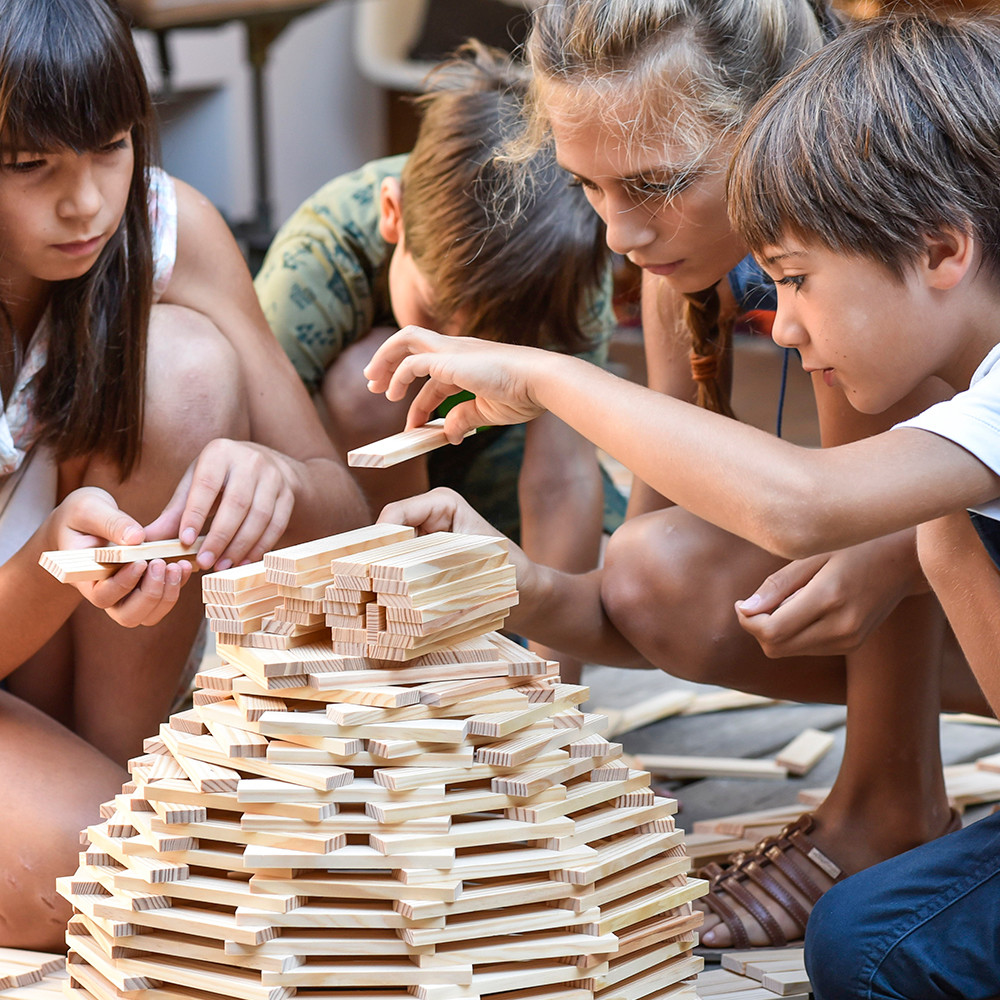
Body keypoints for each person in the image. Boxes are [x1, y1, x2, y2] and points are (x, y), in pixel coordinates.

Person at [365, 12, 1000, 990]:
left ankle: (884, 801)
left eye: (655, 184)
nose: (617, 232)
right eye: (588, 186)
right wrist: (509, 582)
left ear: (761, 127)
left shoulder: (889, 307)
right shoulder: (762, 290)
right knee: (660, 560)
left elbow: (804, 507)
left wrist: (548, 379)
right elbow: (643, 599)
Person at [0, 0, 368, 949]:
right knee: (93, 875)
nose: (85, 202)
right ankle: (106, 806)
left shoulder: (167, 227)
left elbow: (346, 511)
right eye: (29, 165)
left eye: (110, 147)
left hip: (85, 676)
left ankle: (116, 774)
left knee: (189, 368)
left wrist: (275, 480)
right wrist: (48, 559)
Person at [254, 41, 621, 681]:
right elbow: (270, 448)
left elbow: (561, 479)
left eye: (490, 340)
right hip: (352, 494)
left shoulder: (564, 263)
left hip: (492, 479)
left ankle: (463, 623)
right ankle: (394, 628)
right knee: (371, 382)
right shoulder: (320, 254)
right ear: (391, 215)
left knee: (612, 592)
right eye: (435, 313)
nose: (453, 359)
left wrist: (552, 695)